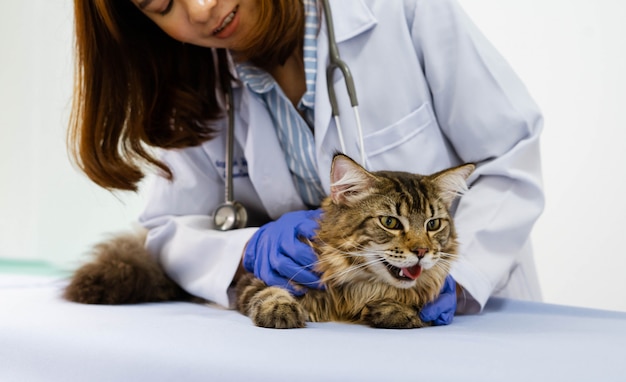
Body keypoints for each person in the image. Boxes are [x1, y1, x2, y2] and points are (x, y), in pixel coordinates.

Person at [68, 0, 544, 324]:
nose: (202, 8)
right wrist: (247, 249)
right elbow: (170, 226)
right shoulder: (196, 82)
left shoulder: (397, 9)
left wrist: (457, 281)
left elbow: (510, 156)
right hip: (314, 336)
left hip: (465, 333)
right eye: (163, 4)